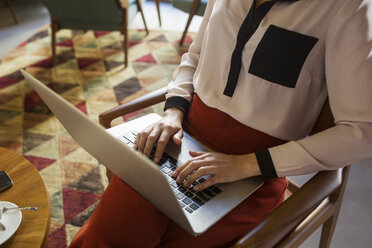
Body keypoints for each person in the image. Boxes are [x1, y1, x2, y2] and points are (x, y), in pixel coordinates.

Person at [69, 0, 372, 247]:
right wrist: (173, 111)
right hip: (181, 144)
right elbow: (196, 55)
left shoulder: (347, 8)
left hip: (253, 177)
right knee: (109, 230)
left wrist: (247, 165)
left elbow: (361, 132)